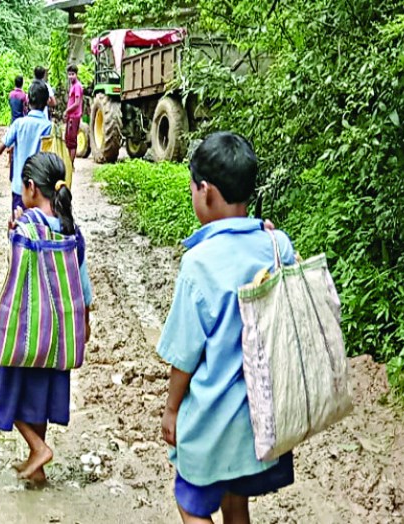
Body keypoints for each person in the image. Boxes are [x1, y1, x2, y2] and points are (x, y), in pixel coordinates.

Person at [157, 132, 296, 523]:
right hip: (261, 421)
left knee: (190, 504)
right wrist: (276, 240)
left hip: (212, 423)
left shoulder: (199, 263)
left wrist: (171, 410)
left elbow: (184, 355)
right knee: (237, 504)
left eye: (193, 188)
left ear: (207, 191)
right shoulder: (277, 245)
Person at [0, 152, 92, 485]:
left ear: (30, 187)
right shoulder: (71, 229)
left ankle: (38, 448)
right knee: (39, 398)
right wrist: (85, 322)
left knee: (2, 392)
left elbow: (18, 270)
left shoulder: (26, 226)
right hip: (58, 332)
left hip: (27, 330)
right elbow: (83, 284)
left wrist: (13, 231)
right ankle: (37, 465)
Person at [0, 81, 52, 215]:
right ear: (47, 102)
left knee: (18, 224)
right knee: (37, 226)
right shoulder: (50, 128)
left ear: (27, 100)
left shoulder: (18, 124)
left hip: (20, 189)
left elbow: (0, 147)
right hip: (41, 193)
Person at [63, 64, 84, 169]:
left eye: (72, 74)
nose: (71, 76)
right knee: (67, 140)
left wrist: (66, 111)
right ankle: (69, 163)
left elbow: (76, 103)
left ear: (76, 74)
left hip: (74, 117)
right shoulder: (72, 86)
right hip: (70, 116)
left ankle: (71, 165)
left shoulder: (77, 86)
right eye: (69, 74)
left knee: (72, 141)